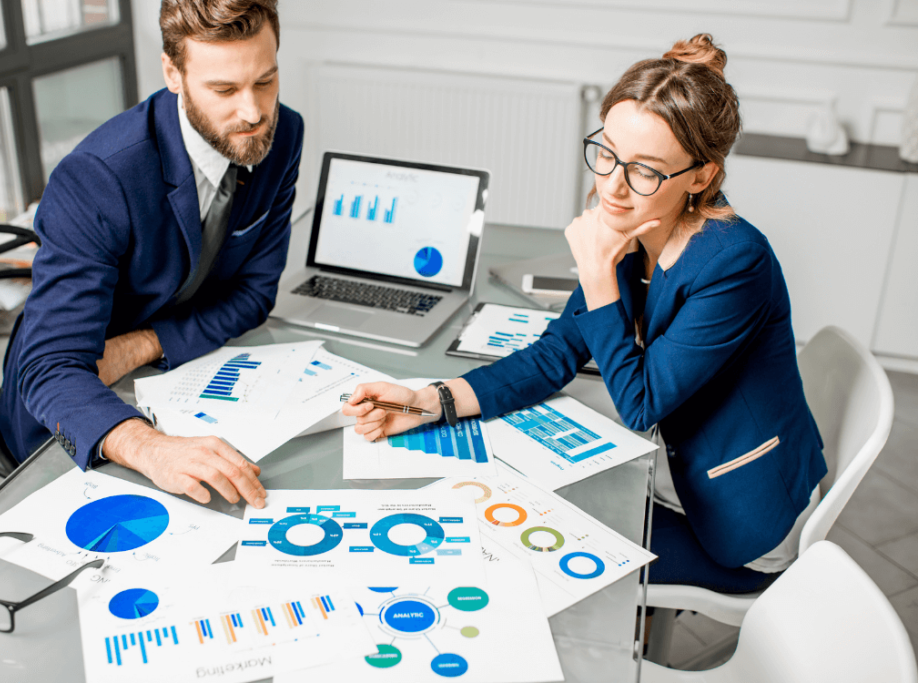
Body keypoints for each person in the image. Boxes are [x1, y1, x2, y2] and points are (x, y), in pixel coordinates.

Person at [343, 34, 827, 592]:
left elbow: (640, 403)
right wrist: (432, 401)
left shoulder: (734, 263)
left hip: (740, 522)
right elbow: (555, 355)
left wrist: (598, 276)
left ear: (702, 176)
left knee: (519, 561)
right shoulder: (634, 226)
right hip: (671, 472)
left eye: (645, 170)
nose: (612, 188)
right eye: (608, 154)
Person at [0, 0, 303, 509]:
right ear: (173, 73)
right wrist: (150, 447)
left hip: (180, 373)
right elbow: (51, 367)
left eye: (266, 81)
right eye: (224, 90)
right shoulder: (98, 176)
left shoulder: (282, 134)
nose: (252, 112)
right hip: (78, 408)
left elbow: (254, 294)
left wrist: (143, 345)